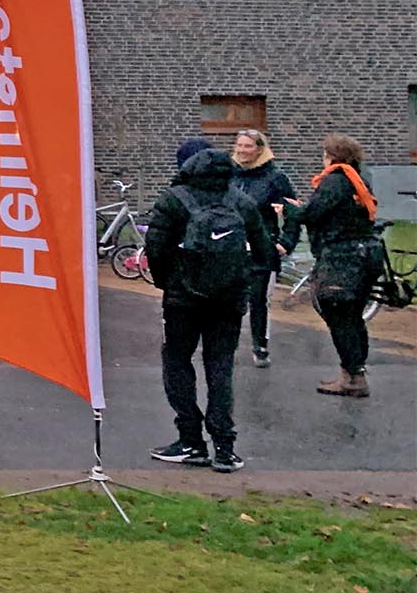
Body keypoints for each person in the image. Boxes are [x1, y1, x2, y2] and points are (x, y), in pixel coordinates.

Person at [142, 142, 269, 473]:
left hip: (183, 298)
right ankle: (225, 447)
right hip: (228, 299)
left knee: (178, 361)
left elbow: (155, 248)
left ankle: (190, 441)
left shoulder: (174, 199)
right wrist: (242, 281)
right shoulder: (241, 201)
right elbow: (262, 250)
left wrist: (167, 282)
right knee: (220, 367)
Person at [281, 134, 382, 399]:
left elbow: (312, 213)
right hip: (366, 254)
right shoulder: (359, 179)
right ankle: (354, 371)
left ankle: (353, 377)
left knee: (340, 316)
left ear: (331, 155)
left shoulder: (334, 180)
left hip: (342, 258)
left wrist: (289, 210)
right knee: (354, 317)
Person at [227, 129, 294, 368]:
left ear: (259, 149)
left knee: (257, 299)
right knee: (228, 299)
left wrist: (285, 243)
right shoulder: (229, 175)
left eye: (248, 146)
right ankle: (226, 345)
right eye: (240, 145)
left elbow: (292, 212)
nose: (243, 151)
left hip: (261, 247)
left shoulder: (275, 179)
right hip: (230, 246)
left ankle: (260, 345)